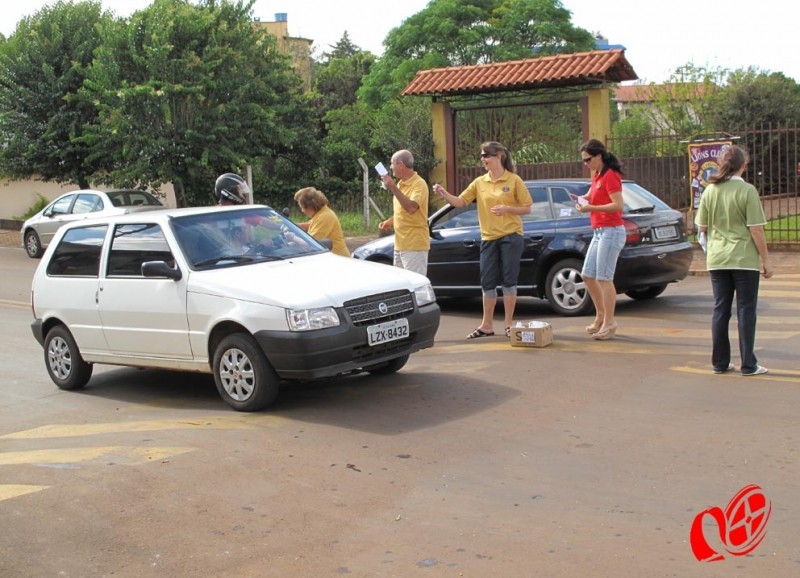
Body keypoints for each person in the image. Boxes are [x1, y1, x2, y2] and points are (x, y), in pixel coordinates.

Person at [433, 141, 532, 339]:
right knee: (487, 282)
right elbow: (460, 202)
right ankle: (486, 325)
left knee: (509, 281)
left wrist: (507, 209)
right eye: (481, 156)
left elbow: (527, 207)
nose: (483, 159)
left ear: (499, 157)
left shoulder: (513, 180)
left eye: (486, 155)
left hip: (510, 236)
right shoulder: (479, 182)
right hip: (488, 238)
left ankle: (508, 324)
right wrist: (444, 193)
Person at [695, 144, 773, 375]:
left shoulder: (711, 190)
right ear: (744, 165)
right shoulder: (747, 191)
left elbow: (702, 227)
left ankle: (720, 362)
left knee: (720, 309)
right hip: (743, 258)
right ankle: (748, 363)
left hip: (718, 258)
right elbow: (756, 229)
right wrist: (766, 260)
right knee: (746, 309)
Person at [570, 139, 625, 341]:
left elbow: (618, 205)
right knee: (587, 275)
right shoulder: (598, 175)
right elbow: (592, 196)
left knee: (604, 278)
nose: (586, 163)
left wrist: (590, 208)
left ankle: (610, 322)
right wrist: (581, 200)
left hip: (611, 230)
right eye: (583, 160)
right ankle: (601, 316)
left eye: (588, 159)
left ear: (599, 155)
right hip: (600, 231)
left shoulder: (611, 175)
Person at [378, 149, 430, 275]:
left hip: (414, 245)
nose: (390, 167)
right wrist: (389, 222)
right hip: (400, 244)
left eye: (392, 163)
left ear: (401, 165)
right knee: (402, 285)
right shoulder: (401, 184)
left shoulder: (419, 184)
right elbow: (402, 212)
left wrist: (393, 187)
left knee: (415, 285)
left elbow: (411, 208)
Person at [293, 187, 350, 257]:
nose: (302, 210)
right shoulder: (322, 213)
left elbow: (310, 243)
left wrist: (292, 237)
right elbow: (307, 226)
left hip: (338, 260)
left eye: (302, 207)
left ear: (310, 206)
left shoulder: (324, 217)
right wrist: (288, 225)